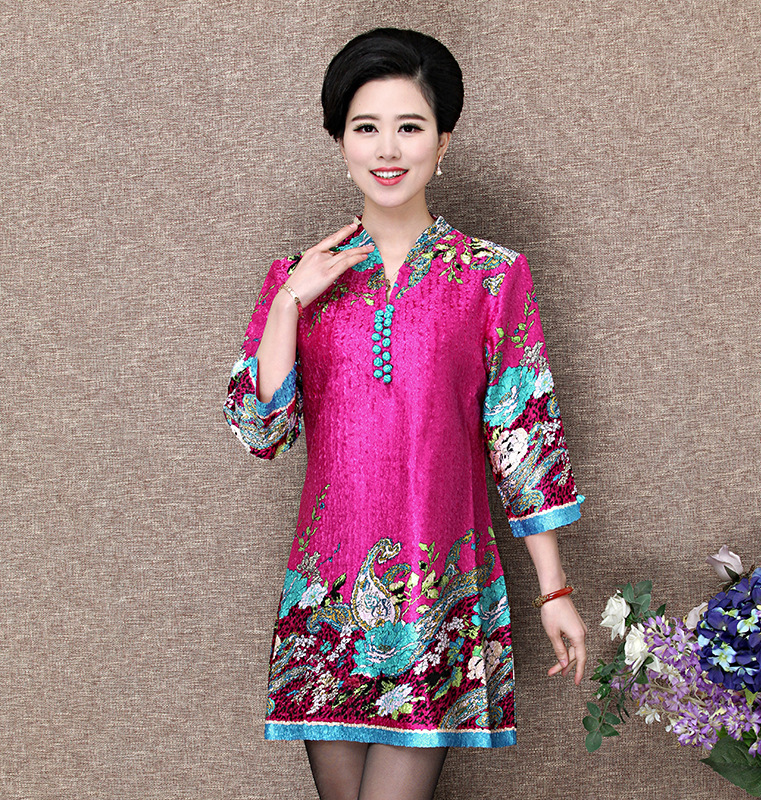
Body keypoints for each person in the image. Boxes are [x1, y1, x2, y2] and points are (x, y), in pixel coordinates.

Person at [224, 27, 587, 800]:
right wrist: (289, 304)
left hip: (436, 597)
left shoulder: (491, 277)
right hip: (324, 604)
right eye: (366, 127)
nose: (387, 148)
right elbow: (262, 431)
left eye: (410, 126)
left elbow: (523, 437)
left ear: (442, 141)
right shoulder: (294, 279)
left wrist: (553, 590)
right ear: (341, 141)